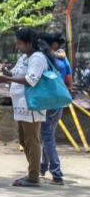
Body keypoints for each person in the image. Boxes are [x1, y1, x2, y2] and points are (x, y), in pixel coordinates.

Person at [0, 27, 51, 187]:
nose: (18, 46)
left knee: (32, 140)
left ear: (29, 43)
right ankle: (32, 172)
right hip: (21, 105)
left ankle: (34, 176)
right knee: (24, 140)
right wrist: (5, 73)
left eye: (20, 43)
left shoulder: (38, 58)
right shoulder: (24, 57)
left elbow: (32, 79)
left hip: (31, 105)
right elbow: (15, 75)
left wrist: (6, 77)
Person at [38, 32, 71, 185]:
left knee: (46, 136)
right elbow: (69, 83)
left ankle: (56, 174)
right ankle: (42, 167)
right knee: (48, 135)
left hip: (48, 102)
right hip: (60, 102)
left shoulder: (46, 59)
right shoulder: (64, 60)